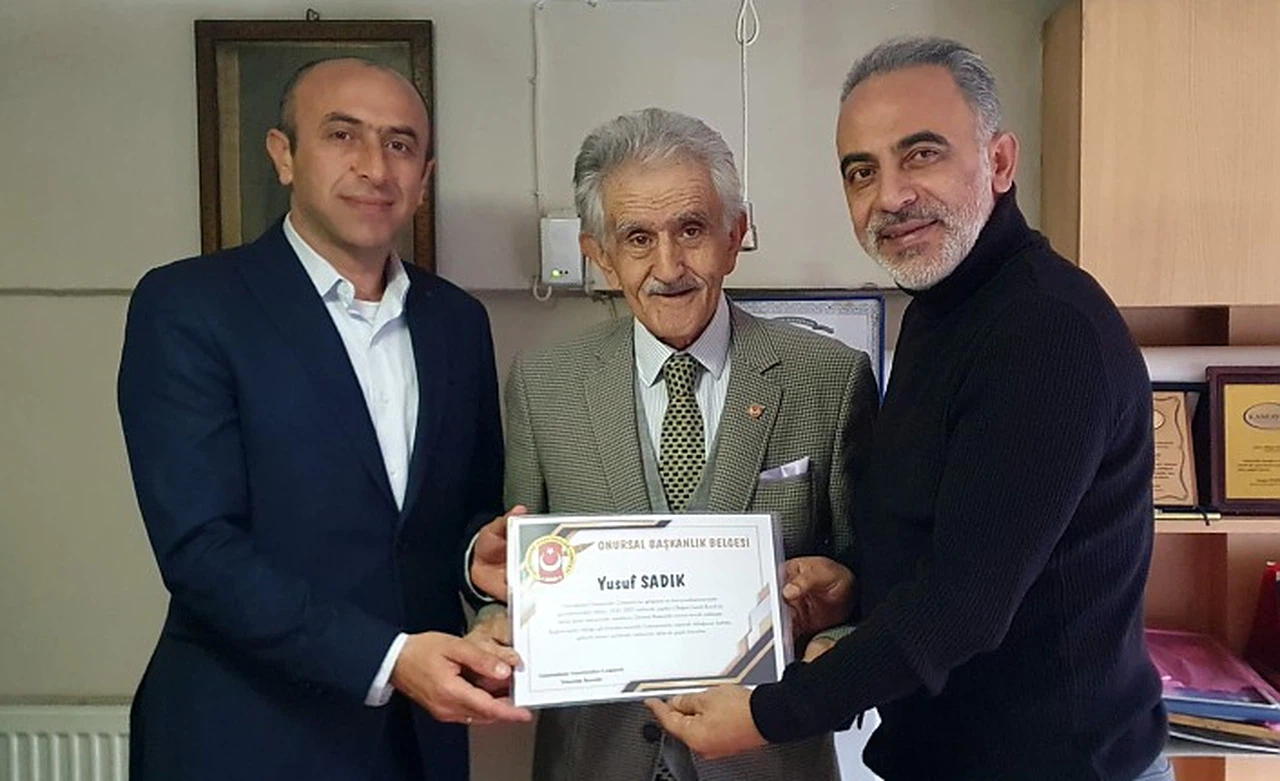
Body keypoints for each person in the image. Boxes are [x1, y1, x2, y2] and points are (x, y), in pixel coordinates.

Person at [647, 37, 1172, 781]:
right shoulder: (945, 305)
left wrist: (769, 714)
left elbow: (965, 603)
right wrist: (856, 584)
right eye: (861, 171)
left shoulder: (1043, 330)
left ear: (999, 161)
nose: (890, 196)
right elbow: (955, 527)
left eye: (920, 154)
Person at [117, 57, 530, 781]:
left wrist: (474, 553)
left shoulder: (457, 322)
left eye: (400, 144)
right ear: (283, 155)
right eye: (343, 135)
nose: (375, 166)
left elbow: (460, 508)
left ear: (424, 177)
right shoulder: (189, 306)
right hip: (245, 738)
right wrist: (390, 660)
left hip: (418, 743)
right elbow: (200, 550)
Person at [466, 107, 879, 781]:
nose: (669, 266)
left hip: (768, 761)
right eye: (637, 238)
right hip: (594, 760)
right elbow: (515, 574)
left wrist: (835, 640)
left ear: (733, 236)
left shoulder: (828, 378)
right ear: (599, 254)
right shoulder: (543, 385)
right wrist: (494, 623)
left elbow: (872, 577)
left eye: (691, 229)